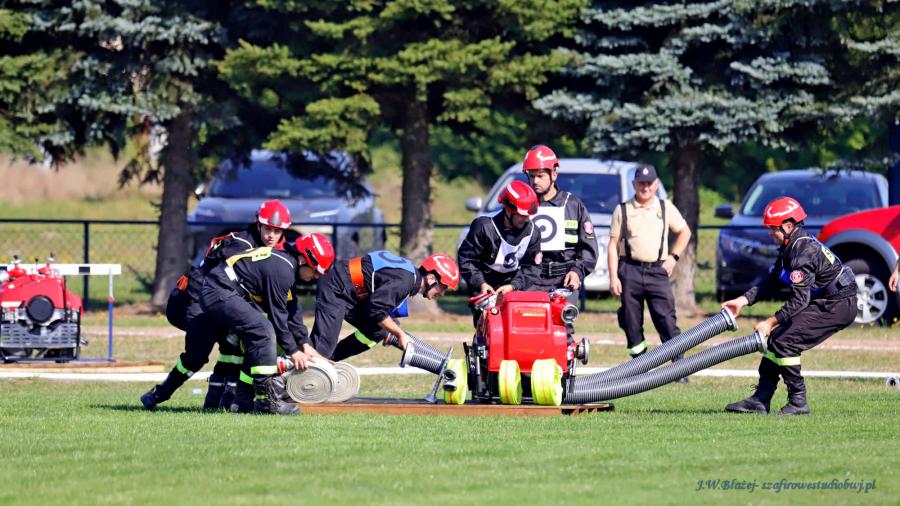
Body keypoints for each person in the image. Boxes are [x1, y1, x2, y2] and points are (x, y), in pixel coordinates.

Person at [147, 200, 293, 410]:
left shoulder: (262, 246)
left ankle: (219, 403)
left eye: (277, 231)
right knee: (196, 358)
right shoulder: (242, 246)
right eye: (268, 229)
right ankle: (159, 394)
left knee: (233, 344)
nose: (272, 235)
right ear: (258, 224)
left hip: (215, 302)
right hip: (193, 300)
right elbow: (226, 283)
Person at [722, 197, 857, 415]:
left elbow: (799, 300)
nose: (769, 233)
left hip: (838, 304)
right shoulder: (791, 246)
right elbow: (772, 281)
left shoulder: (802, 252)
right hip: (829, 300)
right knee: (777, 340)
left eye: (772, 228)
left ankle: (798, 402)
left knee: (785, 341)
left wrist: (770, 321)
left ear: (787, 226)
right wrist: (742, 301)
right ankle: (760, 399)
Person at [307, 251, 460, 361]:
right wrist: (400, 334)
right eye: (443, 287)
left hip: (351, 290)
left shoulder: (409, 277)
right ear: (431, 278)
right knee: (322, 347)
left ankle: (330, 361)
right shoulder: (405, 282)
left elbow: (379, 309)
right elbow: (377, 310)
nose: (442, 293)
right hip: (337, 285)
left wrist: (393, 330)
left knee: (378, 331)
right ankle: (298, 378)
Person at [608, 164, 691, 363]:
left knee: (666, 320)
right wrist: (613, 277)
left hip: (657, 272)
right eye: (641, 183)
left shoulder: (665, 207)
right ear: (633, 184)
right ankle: (639, 365)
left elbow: (684, 232)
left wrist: (673, 258)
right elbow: (613, 245)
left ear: (656, 184)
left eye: (649, 183)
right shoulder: (623, 209)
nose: (645, 187)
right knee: (631, 321)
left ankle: (679, 366)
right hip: (630, 271)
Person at [458, 180, 543, 327]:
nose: (526, 219)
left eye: (528, 215)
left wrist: (513, 286)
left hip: (514, 284)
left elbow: (532, 268)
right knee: (489, 326)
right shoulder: (484, 227)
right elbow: (467, 259)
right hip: (484, 283)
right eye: (521, 215)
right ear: (508, 210)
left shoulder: (533, 233)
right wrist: (481, 284)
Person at [521, 145, 598, 302]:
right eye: (531, 176)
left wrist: (577, 272)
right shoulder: (521, 205)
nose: (535, 181)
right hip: (528, 281)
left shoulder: (573, 205)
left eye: (540, 176)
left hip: (563, 281)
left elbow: (588, 250)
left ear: (554, 174)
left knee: (562, 319)